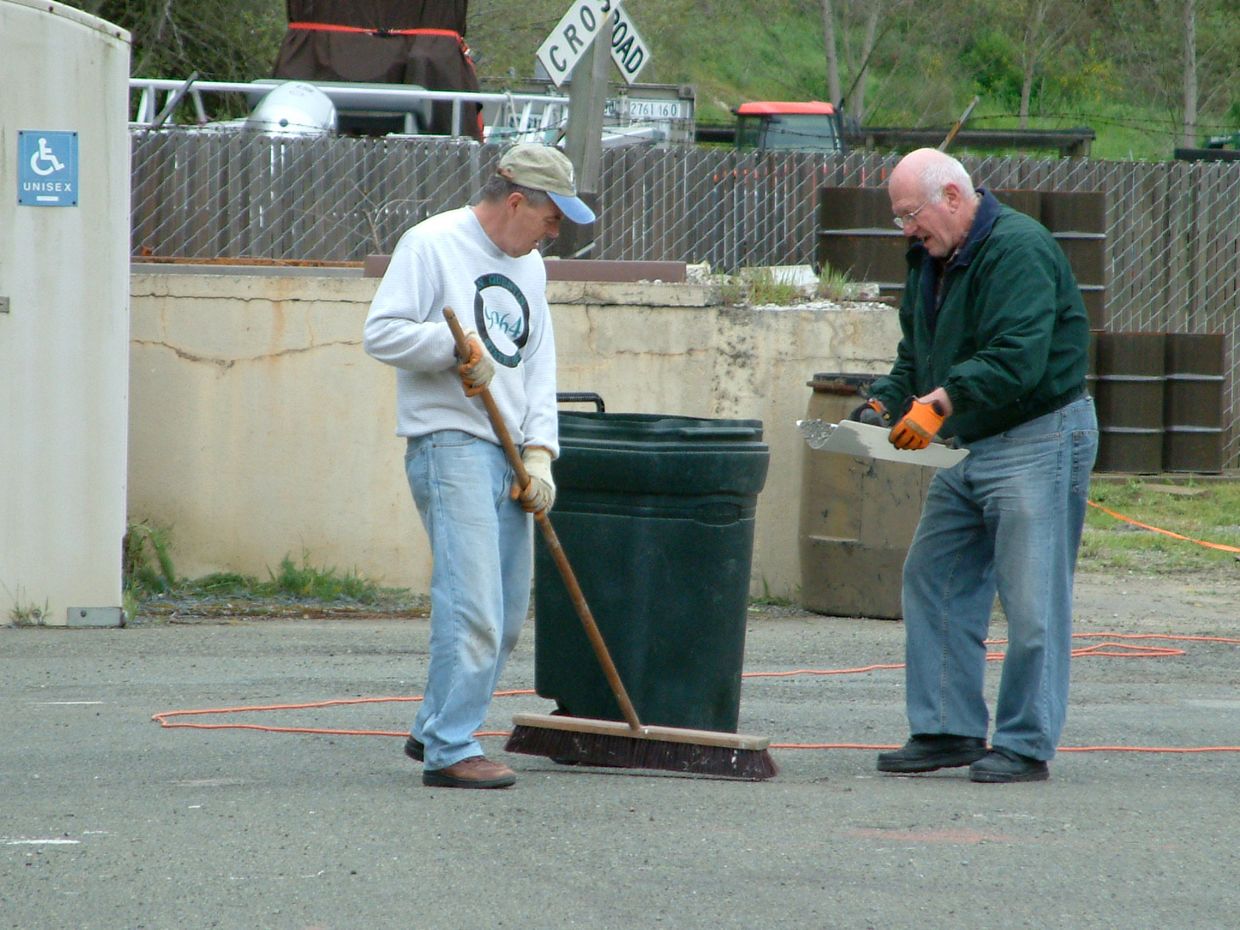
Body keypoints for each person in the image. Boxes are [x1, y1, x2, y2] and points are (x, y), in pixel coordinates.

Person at [856, 147, 1098, 783]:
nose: (906, 228)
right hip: (969, 440)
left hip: (1038, 437)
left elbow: (1019, 356)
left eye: (911, 214)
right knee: (933, 576)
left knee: (1032, 600)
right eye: (899, 218)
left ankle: (1025, 743)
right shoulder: (929, 258)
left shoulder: (1020, 250)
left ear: (954, 199)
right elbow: (920, 351)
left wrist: (939, 402)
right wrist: (885, 400)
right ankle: (947, 729)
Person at [363, 144, 596, 789]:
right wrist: (451, 345)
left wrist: (541, 454)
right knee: (474, 609)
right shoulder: (432, 244)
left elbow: (538, 365)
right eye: (552, 217)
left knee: (508, 614)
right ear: (517, 200)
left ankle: (438, 721)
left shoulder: (533, 267)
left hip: (510, 452)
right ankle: (449, 747)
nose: (557, 231)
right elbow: (380, 334)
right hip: (452, 444)